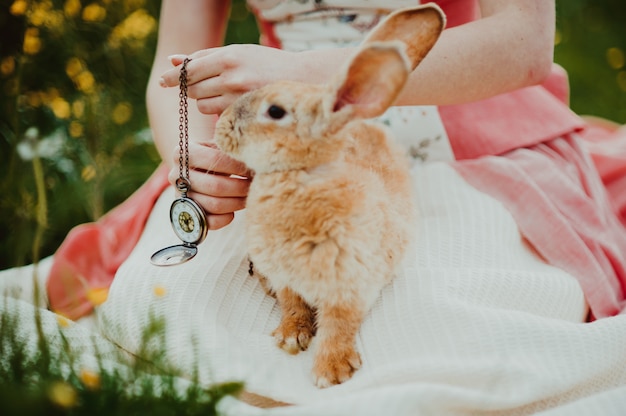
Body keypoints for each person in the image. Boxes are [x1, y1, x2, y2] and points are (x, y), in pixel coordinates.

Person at [3, 0, 626, 414]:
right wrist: (191, 160)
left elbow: (524, 46)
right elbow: (178, 65)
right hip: (279, 153)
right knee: (165, 306)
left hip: (474, 147)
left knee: (445, 324)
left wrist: (300, 71)